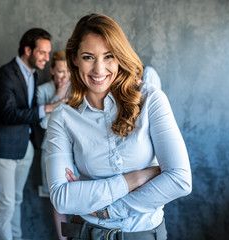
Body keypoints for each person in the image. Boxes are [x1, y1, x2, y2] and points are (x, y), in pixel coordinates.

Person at [46, 14, 192, 240]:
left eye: (109, 56)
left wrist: (106, 210)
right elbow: (61, 197)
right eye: (88, 57)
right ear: (74, 58)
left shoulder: (151, 100)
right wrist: (136, 178)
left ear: (120, 57)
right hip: (87, 234)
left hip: (144, 234)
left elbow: (180, 180)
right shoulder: (62, 117)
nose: (99, 69)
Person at [0, 28, 63, 240]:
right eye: (42, 52)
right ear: (27, 50)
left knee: (17, 199)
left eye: (48, 53)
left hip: (25, 145)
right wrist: (48, 108)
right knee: (5, 203)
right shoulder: (5, 74)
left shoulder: (33, 75)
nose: (47, 57)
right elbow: (9, 114)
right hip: (4, 148)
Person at [36, 50, 70, 240]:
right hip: (49, 150)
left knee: (79, 196)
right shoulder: (43, 91)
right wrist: (58, 95)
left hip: (73, 150)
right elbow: (42, 123)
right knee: (57, 201)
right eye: (60, 71)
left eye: (67, 71)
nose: (64, 76)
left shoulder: (77, 89)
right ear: (52, 71)